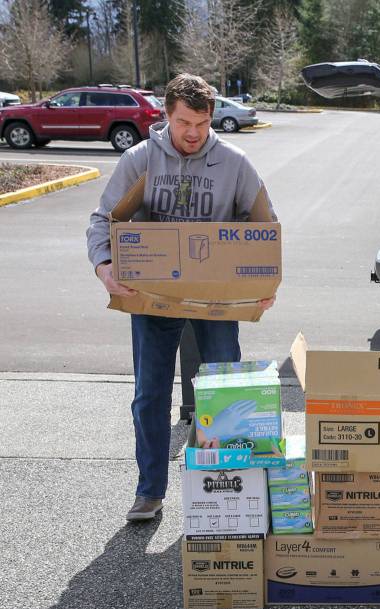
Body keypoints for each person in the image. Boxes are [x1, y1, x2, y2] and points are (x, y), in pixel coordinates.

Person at [86, 73, 276, 521]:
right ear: (166, 115)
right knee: (150, 395)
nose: (193, 133)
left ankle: (229, 491)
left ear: (213, 117)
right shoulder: (140, 160)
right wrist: (105, 268)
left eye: (202, 123)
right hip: (155, 297)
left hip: (216, 301)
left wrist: (262, 286)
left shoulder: (235, 163)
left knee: (226, 393)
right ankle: (149, 491)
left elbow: (265, 229)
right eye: (184, 122)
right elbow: (102, 221)